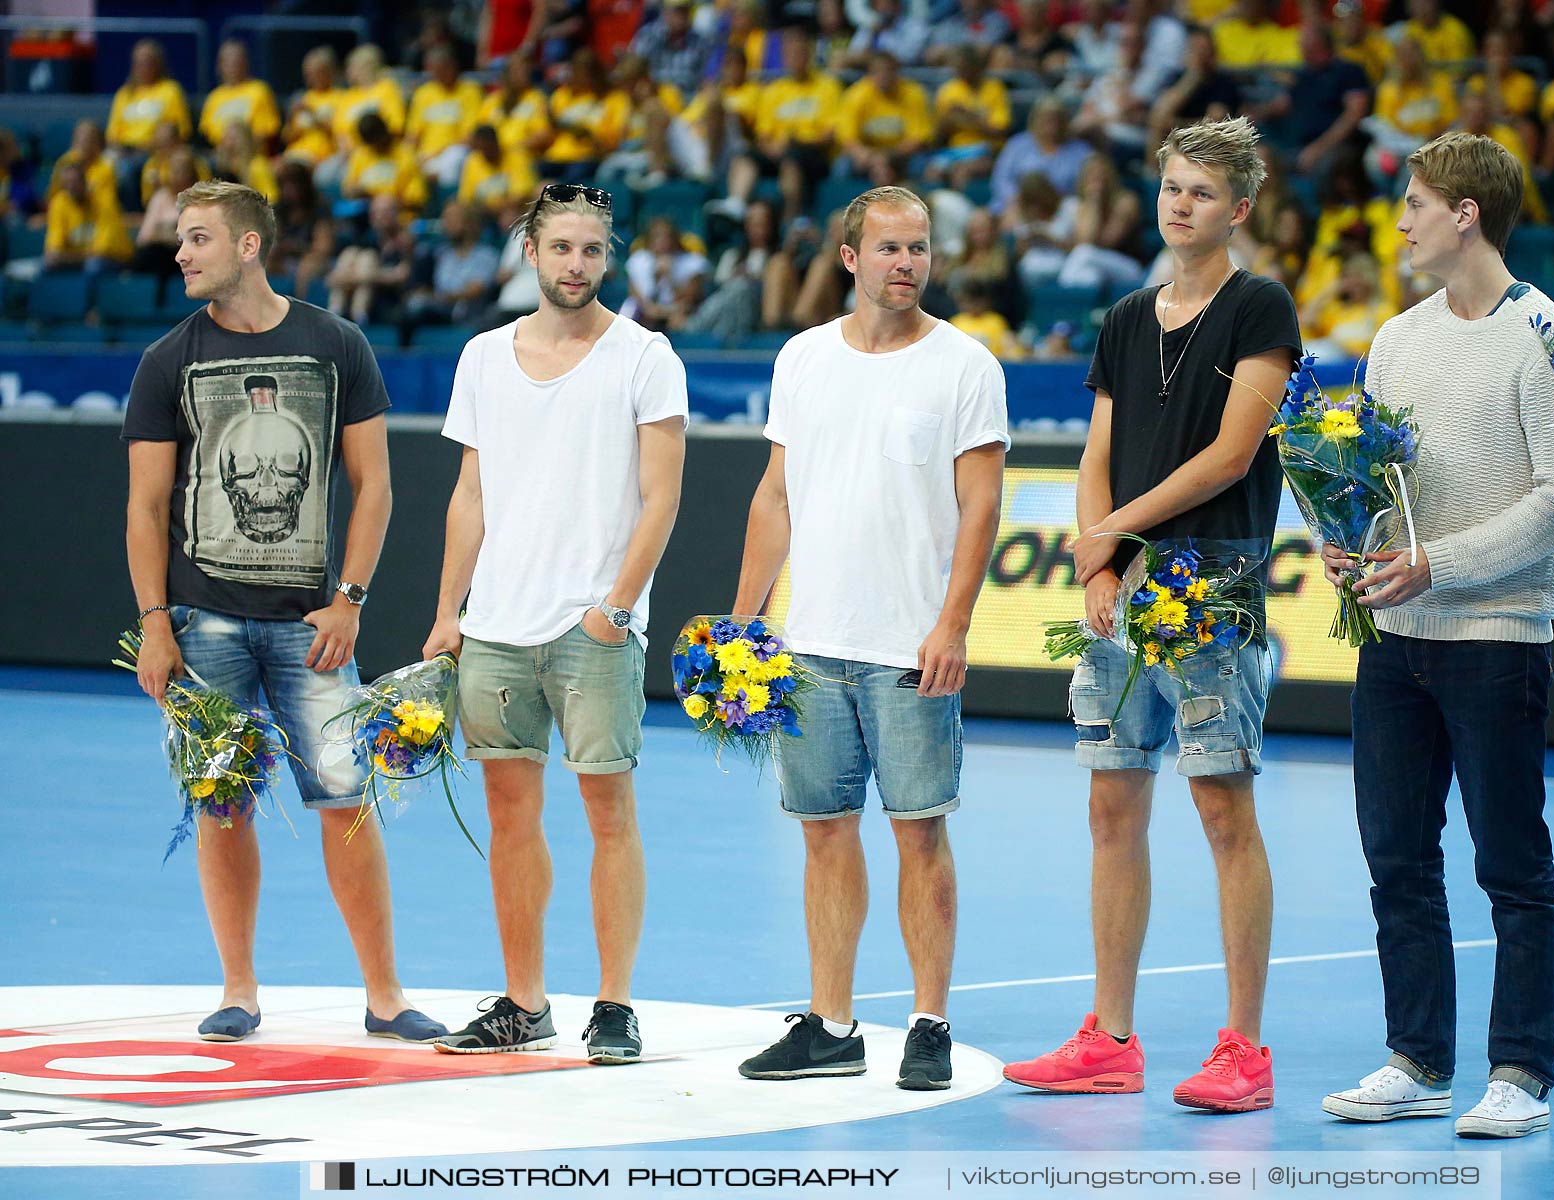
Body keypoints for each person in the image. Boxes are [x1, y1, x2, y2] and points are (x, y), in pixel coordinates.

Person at [1002, 117, 1299, 1111]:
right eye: (1173, 187)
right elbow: (1096, 452)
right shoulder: (1127, 315)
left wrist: (1109, 536)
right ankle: (1111, 1038)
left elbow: (1230, 455)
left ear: (1239, 210)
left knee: (1223, 807)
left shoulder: (1260, 307)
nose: (1181, 204)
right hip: (1121, 589)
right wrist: (1100, 570)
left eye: (1203, 193)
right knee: (1111, 804)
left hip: (1213, 581)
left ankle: (1244, 1051)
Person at [1317, 132, 1554, 1138]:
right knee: (1397, 859)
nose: (1400, 221)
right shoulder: (1395, 338)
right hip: (1393, 637)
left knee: (1510, 866)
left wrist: (1443, 563)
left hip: (1497, 636)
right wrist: (1346, 540)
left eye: (1415, 204)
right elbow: (1369, 481)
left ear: (1466, 214)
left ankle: (1519, 1072)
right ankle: (1419, 1059)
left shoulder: (1546, 334)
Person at [121, 180, 446, 1046]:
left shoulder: (335, 343)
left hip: (313, 626)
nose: (181, 253)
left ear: (249, 245)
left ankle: (384, 996)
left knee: (347, 799)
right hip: (202, 625)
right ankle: (238, 989)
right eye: (181, 240)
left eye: (197, 239)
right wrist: (155, 621)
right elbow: (146, 507)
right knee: (221, 802)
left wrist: (350, 600)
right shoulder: (166, 360)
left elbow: (375, 484)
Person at [732, 185, 1008, 1091]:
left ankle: (929, 1021)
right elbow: (773, 496)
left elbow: (980, 509)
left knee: (919, 834)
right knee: (823, 833)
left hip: (909, 648)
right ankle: (833, 1025)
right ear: (850, 257)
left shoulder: (966, 365)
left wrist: (953, 623)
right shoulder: (803, 359)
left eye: (919, 248)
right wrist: (744, 623)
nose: (906, 263)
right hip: (809, 642)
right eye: (889, 248)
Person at [424, 183, 688, 1063]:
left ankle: (614, 1004)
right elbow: (469, 493)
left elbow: (662, 499)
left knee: (609, 811)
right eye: (562, 248)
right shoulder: (482, 357)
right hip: (494, 625)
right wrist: (446, 613)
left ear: (606, 259)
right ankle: (523, 1002)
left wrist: (615, 609)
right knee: (510, 814)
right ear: (530, 253)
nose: (578, 265)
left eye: (593, 251)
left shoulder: (646, 357)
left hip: (594, 629)